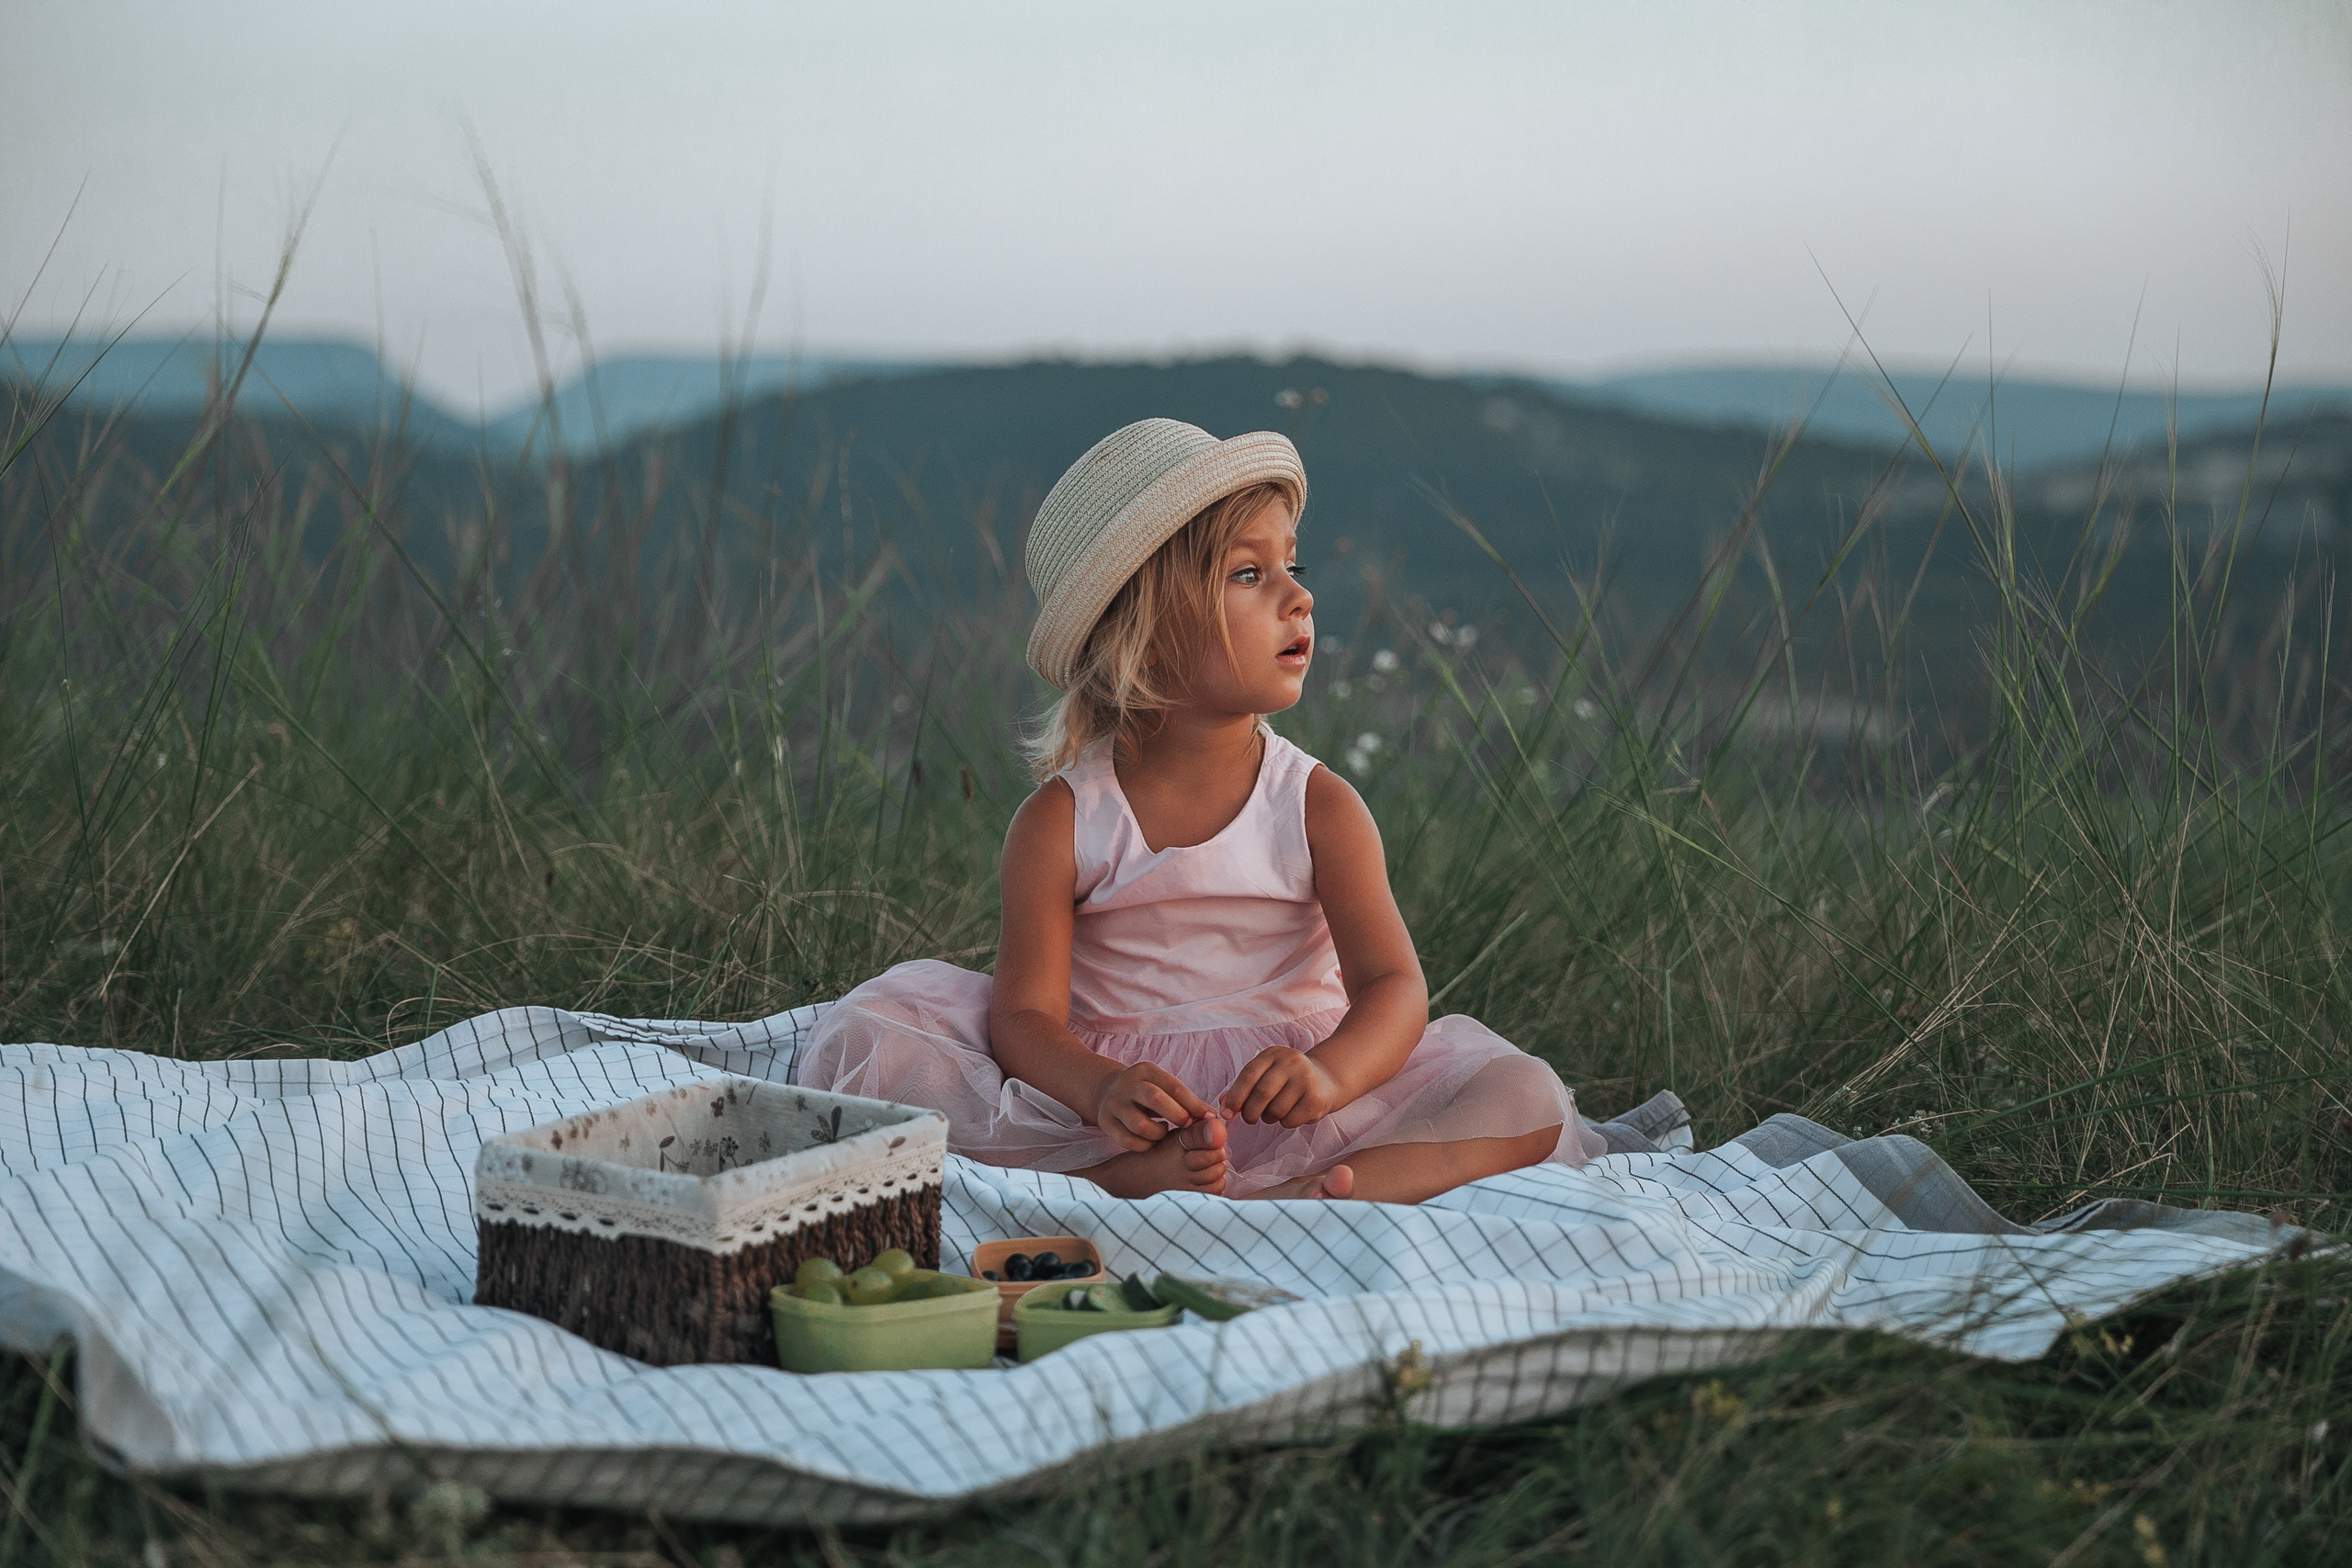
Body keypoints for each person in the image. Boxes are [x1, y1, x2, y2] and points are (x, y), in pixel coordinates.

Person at [797, 417, 1614, 1201]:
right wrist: (1102, 1088)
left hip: (1306, 1098)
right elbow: (1024, 1016)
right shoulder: (1061, 821)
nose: (1300, 599)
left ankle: (1316, 1193)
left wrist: (1331, 1073)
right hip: (1138, 1111)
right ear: (1144, 632)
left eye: (1292, 568)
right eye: (1249, 574)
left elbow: (1395, 986)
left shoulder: (1317, 806)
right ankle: (1124, 1179)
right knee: (878, 1036)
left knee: (1525, 1094)